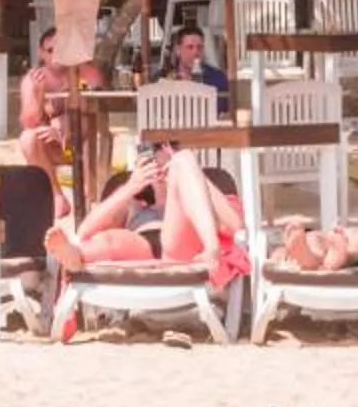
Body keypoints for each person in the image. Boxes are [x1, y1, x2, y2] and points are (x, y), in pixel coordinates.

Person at [46, 142, 246, 285]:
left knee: (185, 160)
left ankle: (212, 250)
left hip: (180, 249)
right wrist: (131, 186)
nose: (158, 163)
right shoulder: (134, 201)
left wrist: (189, 171)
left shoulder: (198, 197)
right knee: (108, 240)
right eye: (151, 153)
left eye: (165, 150)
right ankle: (75, 256)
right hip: (140, 247)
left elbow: (235, 227)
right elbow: (84, 231)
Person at [18, 30, 102, 177]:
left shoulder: (86, 73)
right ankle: (57, 196)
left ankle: (90, 195)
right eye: (50, 51)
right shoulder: (33, 79)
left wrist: (65, 131)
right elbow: (28, 123)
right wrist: (38, 95)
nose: (56, 56)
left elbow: (96, 112)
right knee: (27, 139)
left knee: (91, 131)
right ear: (41, 53)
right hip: (52, 146)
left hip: (82, 142)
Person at [159, 23, 233, 114]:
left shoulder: (218, 78)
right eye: (190, 47)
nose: (195, 52)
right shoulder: (165, 78)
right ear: (178, 50)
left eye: (199, 47)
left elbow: (224, 111)